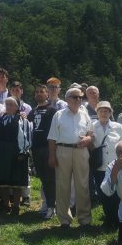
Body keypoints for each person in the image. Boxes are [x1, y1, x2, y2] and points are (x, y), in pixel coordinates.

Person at [48, 86, 94, 228]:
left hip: (81, 151)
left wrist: (88, 138)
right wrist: (52, 155)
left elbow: (91, 133)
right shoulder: (58, 115)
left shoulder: (85, 114)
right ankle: (64, 220)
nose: (78, 99)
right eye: (75, 97)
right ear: (67, 99)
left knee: (83, 185)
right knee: (63, 185)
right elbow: (52, 137)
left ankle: (84, 219)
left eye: (80, 97)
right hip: (63, 150)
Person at [0, 97, 32, 215]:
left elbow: (26, 136)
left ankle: (16, 206)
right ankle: (6, 204)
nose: (8, 106)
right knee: (3, 180)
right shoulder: (1, 119)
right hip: (1, 152)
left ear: (17, 107)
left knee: (16, 180)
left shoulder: (21, 119)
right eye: (7, 104)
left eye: (11, 104)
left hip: (16, 151)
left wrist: (23, 152)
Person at [91, 101, 122, 229]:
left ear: (110, 113)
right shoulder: (92, 126)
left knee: (116, 193)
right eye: (101, 111)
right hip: (99, 165)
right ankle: (108, 218)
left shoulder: (118, 126)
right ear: (97, 113)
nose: (104, 113)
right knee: (103, 193)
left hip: (115, 165)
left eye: (106, 111)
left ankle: (117, 219)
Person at [28, 84, 58, 220]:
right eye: (37, 92)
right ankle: (48, 204)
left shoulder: (52, 110)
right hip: (35, 148)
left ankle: (52, 207)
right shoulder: (32, 111)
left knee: (50, 178)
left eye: (42, 91)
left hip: (48, 148)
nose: (39, 93)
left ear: (47, 94)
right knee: (43, 178)